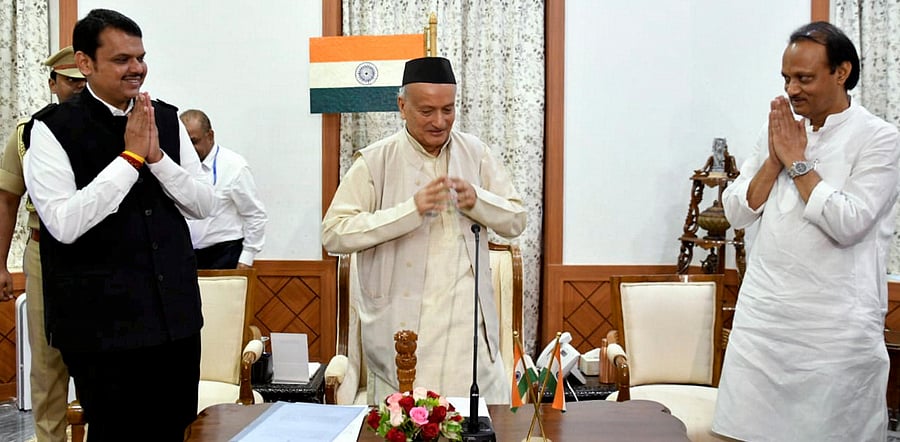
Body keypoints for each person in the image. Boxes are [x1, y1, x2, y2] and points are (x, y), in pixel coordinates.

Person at [22, 9, 214, 441]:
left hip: (174, 318)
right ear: (85, 63)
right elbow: (64, 223)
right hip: (100, 326)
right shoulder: (50, 130)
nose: (137, 68)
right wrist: (128, 160)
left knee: (178, 430)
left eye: (140, 57)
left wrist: (158, 159)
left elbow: (204, 205)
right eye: (122, 59)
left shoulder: (165, 118)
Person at [712, 22, 900, 441]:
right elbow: (735, 212)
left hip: (833, 333)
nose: (792, 90)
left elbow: (848, 222)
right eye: (786, 78)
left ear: (842, 72)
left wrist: (797, 162)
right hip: (764, 321)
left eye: (804, 78)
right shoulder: (777, 131)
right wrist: (774, 160)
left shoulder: (880, 139)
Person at [322, 57, 527, 404]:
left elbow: (516, 220)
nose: (439, 121)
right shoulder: (376, 160)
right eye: (427, 111)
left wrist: (477, 200)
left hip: (468, 340)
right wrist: (410, 210)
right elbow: (334, 234)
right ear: (402, 106)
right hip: (403, 339)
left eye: (448, 109)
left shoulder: (475, 154)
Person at [0, 46, 85, 442]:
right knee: (48, 361)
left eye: (85, 82)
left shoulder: (114, 126)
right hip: (44, 249)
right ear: (53, 84)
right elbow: (7, 199)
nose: (78, 90)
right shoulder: (29, 133)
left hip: (100, 251)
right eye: (71, 82)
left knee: (101, 356)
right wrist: (1, 265)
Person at [179, 109, 267, 269]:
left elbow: (255, 215)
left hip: (224, 255)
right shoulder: (175, 166)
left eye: (194, 141)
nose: (189, 149)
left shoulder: (234, 166)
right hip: (185, 256)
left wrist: (246, 258)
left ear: (210, 136)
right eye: (184, 143)